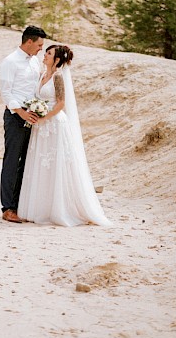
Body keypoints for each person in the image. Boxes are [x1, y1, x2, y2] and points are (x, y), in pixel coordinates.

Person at [17, 44, 112, 227]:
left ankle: (60, 209)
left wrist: (44, 117)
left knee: (55, 166)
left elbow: (61, 103)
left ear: (57, 60)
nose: (45, 55)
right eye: (46, 52)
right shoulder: (42, 75)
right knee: (41, 166)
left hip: (54, 125)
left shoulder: (58, 77)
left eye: (49, 53)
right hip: (41, 127)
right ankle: (39, 209)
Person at [0, 26, 46, 223]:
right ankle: (7, 208)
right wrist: (22, 113)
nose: (40, 49)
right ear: (29, 42)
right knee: (12, 160)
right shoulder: (10, 61)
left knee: (26, 162)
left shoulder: (35, 61)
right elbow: (6, 92)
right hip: (16, 116)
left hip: (32, 116)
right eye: (39, 45)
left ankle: (20, 204)